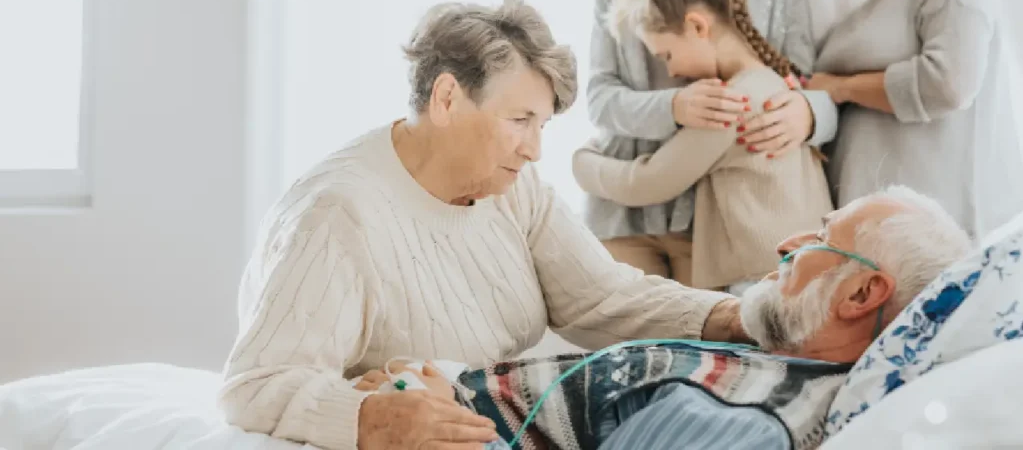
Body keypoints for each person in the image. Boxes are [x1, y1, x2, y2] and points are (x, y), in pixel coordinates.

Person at [218, 0, 748, 450]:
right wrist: (369, 420)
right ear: (447, 98)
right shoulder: (337, 214)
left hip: (508, 417)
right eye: (520, 121)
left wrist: (734, 317)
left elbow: (601, 297)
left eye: (541, 126)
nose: (535, 149)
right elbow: (257, 384)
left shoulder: (512, 188)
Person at [358, 186, 970, 450]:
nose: (788, 242)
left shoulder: (743, 420)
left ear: (861, 294)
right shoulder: (776, 366)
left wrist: (438, 418)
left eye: (823, 236)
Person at [587, 0, 838, 290]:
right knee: (625, 349)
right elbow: (598, 99)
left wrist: (811, 115)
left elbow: (803, 85)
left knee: (702, 351)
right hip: (621, 216)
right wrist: (675, 107)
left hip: (709, 228)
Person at [777, 0, 1023, 240]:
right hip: (870, 244)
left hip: (944, 232)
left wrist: (840, 88)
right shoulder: (859, 14)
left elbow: (949, 84)